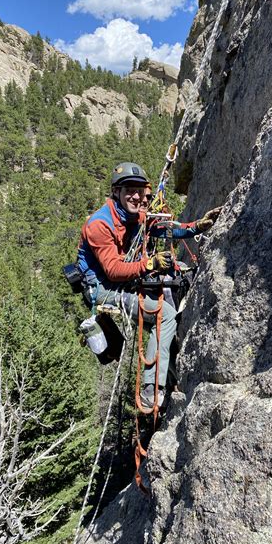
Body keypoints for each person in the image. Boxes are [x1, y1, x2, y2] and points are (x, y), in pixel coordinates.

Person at [77, 162, 220, 408]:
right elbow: (112, 270)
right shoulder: (99, 225)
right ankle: (151, 389)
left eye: (140, 191)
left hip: (125, 279)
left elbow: (162, 229)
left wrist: (196, 227)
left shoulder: (135, 216)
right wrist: (150, 263)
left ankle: (172, 373)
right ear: (116, 193)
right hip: (102, 289)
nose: (135, 196)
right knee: (164, 314)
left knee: (175, 287)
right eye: (129, 190)